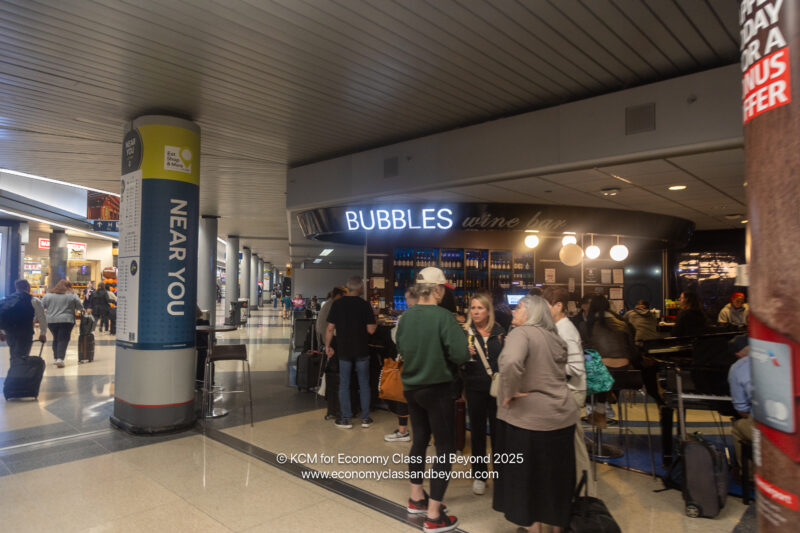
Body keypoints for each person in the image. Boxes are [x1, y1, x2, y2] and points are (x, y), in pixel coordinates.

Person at [493, 295, 577, 533]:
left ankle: (534, 529)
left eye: (518, 307)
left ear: (531, 313)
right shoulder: (554, 337)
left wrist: (507, 392)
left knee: (527, 481)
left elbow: (510, 362)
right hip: (562, 417)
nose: (513, 312)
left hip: (529, 421)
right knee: (555, 481)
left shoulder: (522, 333)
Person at [395, 267, 469, 533]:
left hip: (412, 389)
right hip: (438, 390)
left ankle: (416, 498)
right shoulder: (444, 317)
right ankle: (435, 515)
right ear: (438, 289)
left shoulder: (406, 317)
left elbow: (401, 348)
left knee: (419, 440)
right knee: (445, 448)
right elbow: (460, 355)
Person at [543, 286, 594, 496]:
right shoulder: (557, 328)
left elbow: (576, 367)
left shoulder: (566, 330)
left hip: (571, 393)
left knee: (575, 445)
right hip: (564, 392)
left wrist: (547, 363)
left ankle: (585, 497)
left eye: (547, 307)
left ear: (558, 306)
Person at [462, 292, 505, 495]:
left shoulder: (499, 331)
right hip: (474, 386)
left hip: (497, 388)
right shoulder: (465, 332)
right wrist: (463, 354)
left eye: (480, 308)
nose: (476, 311)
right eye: (473, 308)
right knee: (477, 432)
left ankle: (500, 472)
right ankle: (479, 475)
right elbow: (457, 361)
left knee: (498, 432)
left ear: (488, 310)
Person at [325, 277, 377, 429]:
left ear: (348, 288)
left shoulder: (337, 304)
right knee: (364, 384)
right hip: (362, 350)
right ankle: (365, 419)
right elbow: (371, 330)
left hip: (344, 350)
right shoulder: (365, 305)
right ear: (360, 288)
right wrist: (374, 314)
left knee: (344, 384)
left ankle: (346, 419)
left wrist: (328, 346)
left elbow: (330, 328)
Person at [584, 294, 636, 422]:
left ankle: (596, 409)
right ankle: (604, 402)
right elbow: (631, 347)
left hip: (603, 373)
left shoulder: (589, 325)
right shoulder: (622, 322)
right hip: (626, 374)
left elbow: (587, 351)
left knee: (587, 365)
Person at [385, 286, 419, 443]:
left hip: (407, 361)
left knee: (403, 396)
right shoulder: (432, 315)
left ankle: (403, 431)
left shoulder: (406, 316)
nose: (405, 302)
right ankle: (424, 432)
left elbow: (396, 337)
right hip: (423, 363)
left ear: (415, 298)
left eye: (407, 299)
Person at [0, 279, 47, 363]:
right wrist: (43, 333)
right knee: (22, 355)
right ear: (27, 287)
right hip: (25, 332)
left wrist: (1, 332)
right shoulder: (34, 300)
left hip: (10, 332)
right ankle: (18, 373)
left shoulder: (6, 299)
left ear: (16, 287)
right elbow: (42, 318)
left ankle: (13, 371)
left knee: (13, 353)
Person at [42, 280, 84, 368]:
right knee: (63, 339)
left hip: (51, 321)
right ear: (69, 287)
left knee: (56, 338)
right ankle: (60, 359)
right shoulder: (72, 295)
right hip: (66, 320)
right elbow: (80, 306)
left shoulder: (48, 295)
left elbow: (41, 306)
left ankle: (56, 357)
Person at [728, 335, 752, 481]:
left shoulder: (739, 367)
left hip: (773, 427)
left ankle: (749, 476)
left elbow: (742, 410)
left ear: (737, 354)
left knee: (737, 427)